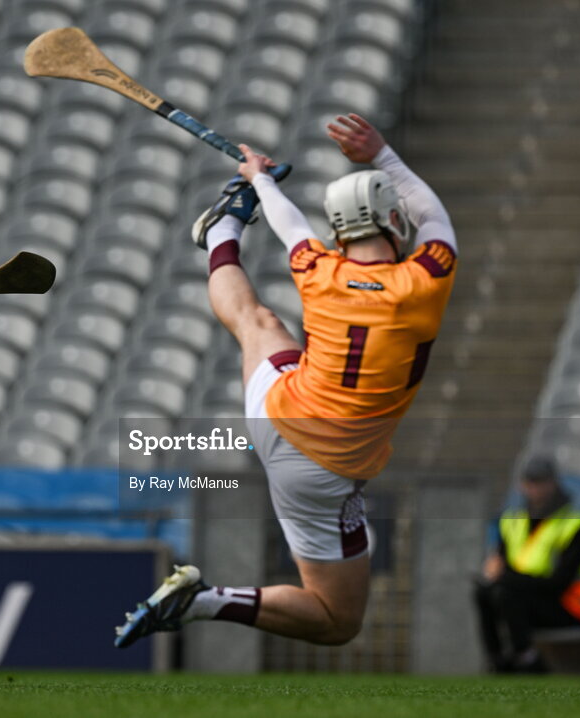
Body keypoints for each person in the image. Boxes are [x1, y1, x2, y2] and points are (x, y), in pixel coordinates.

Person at [115, 113, 457, 648]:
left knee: (258, 322)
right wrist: (382, 154)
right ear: (393, 218)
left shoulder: (318, 269)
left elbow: (289, 224)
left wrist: (260, 180)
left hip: (277, 406)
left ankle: (223, 230)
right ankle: (203, 601)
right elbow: (434, 215)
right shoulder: (425, 280)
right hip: (322, 470)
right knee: (337, 620)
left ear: (339, 233)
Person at [474, 456, 580, 673]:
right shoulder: (513, 521)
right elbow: (501, 561)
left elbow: (558, 583)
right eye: (530, 482)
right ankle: (497, 661)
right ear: (522, 485)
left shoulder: (575, 525)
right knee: (484, 591)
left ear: (553, 483)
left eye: (540, 481)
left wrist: (507, 578)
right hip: (525, 597)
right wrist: (494, 571)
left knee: (506, 593)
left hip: (569, 606)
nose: (535, 488)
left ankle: (528, 659)